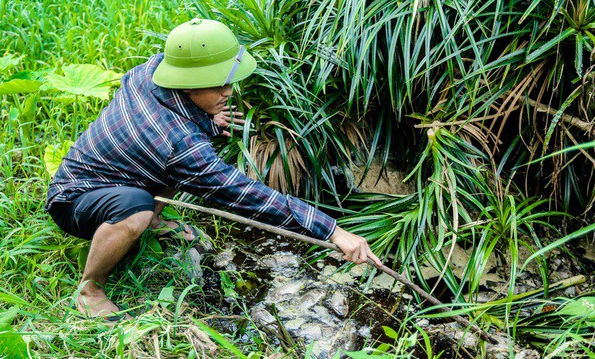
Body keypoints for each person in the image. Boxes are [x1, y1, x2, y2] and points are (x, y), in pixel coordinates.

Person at [46, 18, 381, 320]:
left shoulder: (150, 71)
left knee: (158, 182)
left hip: (116, 175)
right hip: (75, 200)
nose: (228, 91)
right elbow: (248, 195)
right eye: (217, 85)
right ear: (188, 84)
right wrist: (332, 231)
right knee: (135, 207)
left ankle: (152, 219)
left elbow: (172, 129)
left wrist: (205, 119)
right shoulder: (180, 146)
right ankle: (90, 290)